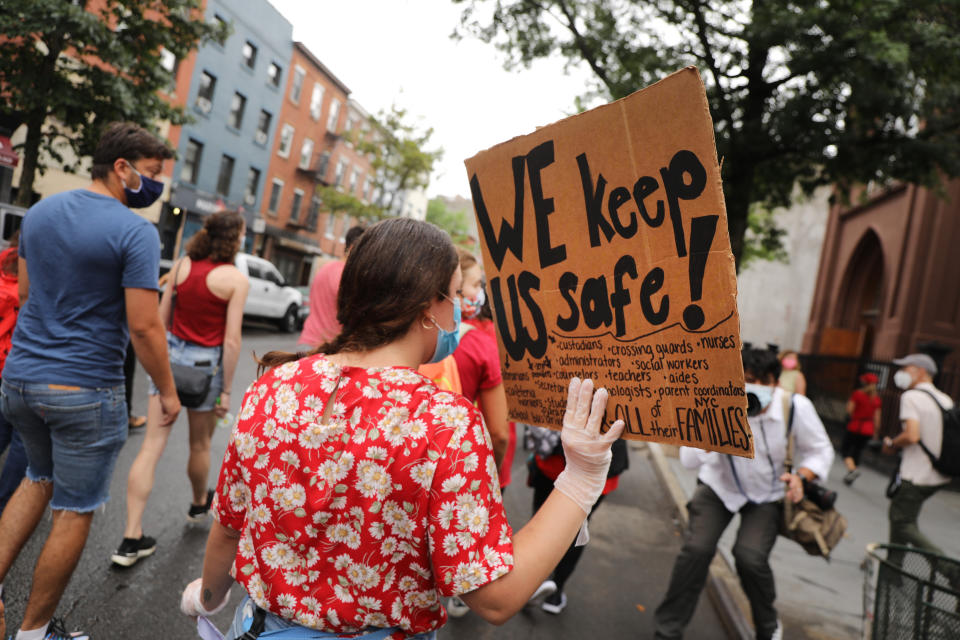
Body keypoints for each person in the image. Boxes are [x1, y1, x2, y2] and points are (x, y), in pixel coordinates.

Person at [179, 218, 625, 639]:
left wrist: (209, 598)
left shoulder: (274, 385)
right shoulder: (445, 423)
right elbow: (494, 597)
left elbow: (229, 525)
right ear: (428, 307)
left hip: (256, 626)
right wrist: (581, 479)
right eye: (455, 296)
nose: (460, 314)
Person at [0, 122, 179, 640]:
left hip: (22, 380)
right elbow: (144, 325)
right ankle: (34, 634)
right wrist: (167, 392)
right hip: (84, 389)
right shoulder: (135, 231)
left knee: (37, 478)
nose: (154, 187)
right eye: (150, 174)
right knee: (75, 510)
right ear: (120, 169)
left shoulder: (40, 213)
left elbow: (29, 294)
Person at [654, 347, 834, 640]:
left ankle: (767, 625)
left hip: (768, 494)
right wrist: (711, 435)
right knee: (697, 549)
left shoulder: (796, 407)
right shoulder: (717, 401)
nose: (756, 388)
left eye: (764, 381)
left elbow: (821, 451)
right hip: (720, 486)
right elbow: (687, 460)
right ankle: (667, 630)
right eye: (748, 379)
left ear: (776, 383)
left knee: (749, 557)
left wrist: (802, 476)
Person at [114, 210, 249, 567]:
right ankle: (197, 503)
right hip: (206, 369)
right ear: (234, 238)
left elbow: (160, 320)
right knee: (199, 444)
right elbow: (232, 342)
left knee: (152, 446)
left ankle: (130, 538)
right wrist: (227, 391)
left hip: (170, 362)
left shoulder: (182, 266)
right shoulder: (234, 279)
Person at [441, 249, 510, 619]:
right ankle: (458, 593)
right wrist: (494, 475)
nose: (479, 292)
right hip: (469, 462)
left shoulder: (417, 334)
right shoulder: (484, 344)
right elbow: (499, 432)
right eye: (475, 284)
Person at [525, 425, 628, 614]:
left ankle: (528, 585)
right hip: (594, 464)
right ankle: (553, 590)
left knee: (541, 525)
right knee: (575, 529)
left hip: (559, 457)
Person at [882, 353, 953, 555]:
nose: (901, 374)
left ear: (921, 371)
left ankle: (950, 569)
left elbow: (912, 436)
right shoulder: (944, 399)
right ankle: (893, 568)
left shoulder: (911, 397)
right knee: (900, 520)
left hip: (916, 473)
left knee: (903, 522)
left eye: (906, 369)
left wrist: (891, 443)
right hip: (937, 474)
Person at [297, 225, 365, 350]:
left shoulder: (324, 268)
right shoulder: (348, 276)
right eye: (366, 251)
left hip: (307, 341)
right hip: (327, 349)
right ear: (352, 248)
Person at [0, 236, 26, 512]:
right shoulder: (32, 277)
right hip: (12, 364)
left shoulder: (4, 262)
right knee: (21, 438)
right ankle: (4, 505)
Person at [842, 372, 881, 485]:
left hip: (855, 426)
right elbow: (877, 418)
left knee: (846, 449)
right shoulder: (876, 399)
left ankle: (852, 470)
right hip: (868, 429)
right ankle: (852, 472)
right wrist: (876, 432)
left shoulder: (857, 394)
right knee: (857, 451)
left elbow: (849, 410)